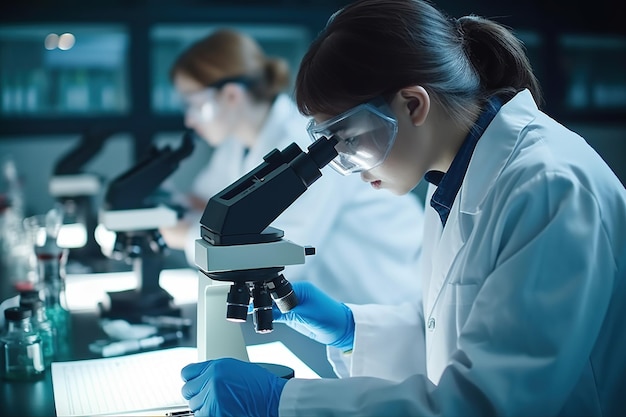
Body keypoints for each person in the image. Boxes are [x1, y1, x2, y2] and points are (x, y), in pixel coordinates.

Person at [177, 1, 626, 416]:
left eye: (348, 140)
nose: (348, 167)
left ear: (413, 104)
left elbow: (487, 402)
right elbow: (458, 331)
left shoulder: (548, 187)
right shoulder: (454, 180)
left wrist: (285, 402)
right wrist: (355, 328)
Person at [158, 28, 425, 305]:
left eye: (194, 104)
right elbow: (209, 202)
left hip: (381, 295)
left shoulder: (301, 143)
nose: (189, 120)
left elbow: (286, 253)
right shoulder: (236, 145)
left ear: (231, 96)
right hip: (330, 300)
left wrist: (185, 236)